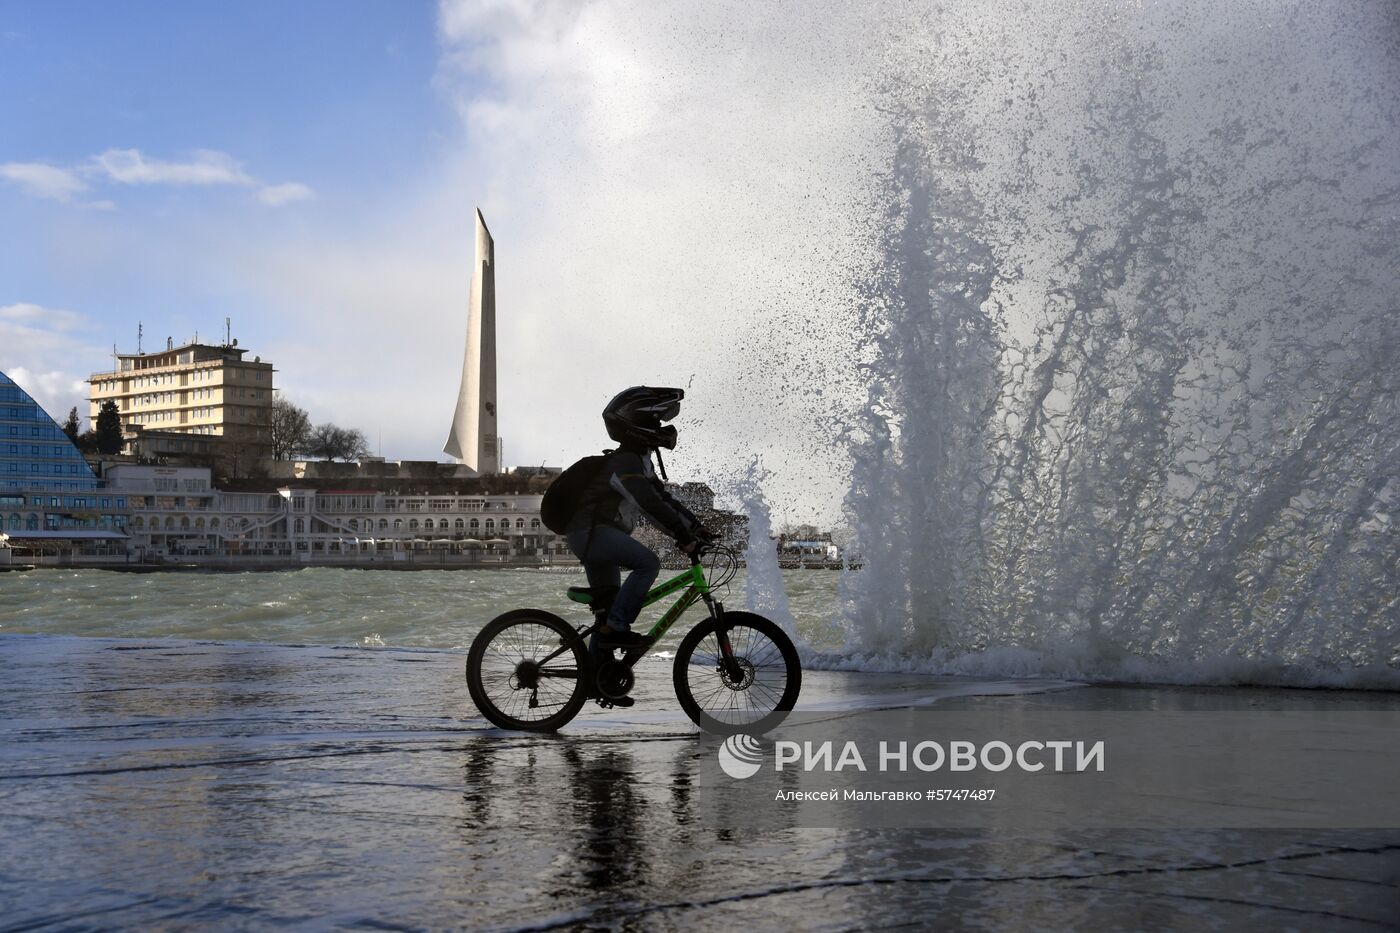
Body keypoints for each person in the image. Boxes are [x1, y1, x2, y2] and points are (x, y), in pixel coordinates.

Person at [565, 386, 708, 663]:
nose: (662, 428)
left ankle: (597, 677)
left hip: (595, 535)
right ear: (638, 425)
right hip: (592, 534)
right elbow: (648, 503)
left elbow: (662, 498)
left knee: (607, 610)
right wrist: (681, 535)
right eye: (655, 422)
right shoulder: (625, 462)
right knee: (649, 564)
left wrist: (695, 526)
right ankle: (617, 628)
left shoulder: (639, 462)